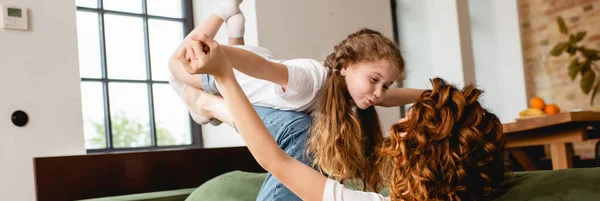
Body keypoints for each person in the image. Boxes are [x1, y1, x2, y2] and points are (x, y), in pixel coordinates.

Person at [179, 35, 508, 200]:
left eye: (407, 129)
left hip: (229, 83)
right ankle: (211, 105)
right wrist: (449, 104)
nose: (397, 128)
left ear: (422, 159)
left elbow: (277, 162)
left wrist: (224, 75)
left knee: (299, 131)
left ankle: (210, 105)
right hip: (249, 86)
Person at [168, 0, 422, 197]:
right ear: (345, 66)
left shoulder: (351, 94)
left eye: (385, 85)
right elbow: (261, 67)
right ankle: (224, 11)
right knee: (175, 65)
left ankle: (236, 29)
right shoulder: (311, 79)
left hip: (250, 76)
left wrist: (434, 95)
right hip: (226, 73)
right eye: (374, 80)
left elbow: (390, 98)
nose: (379, 92)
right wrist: (218, 54)